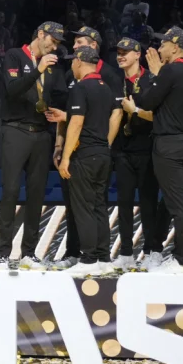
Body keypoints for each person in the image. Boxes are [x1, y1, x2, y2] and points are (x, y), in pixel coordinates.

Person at [0, 20, 65, 270]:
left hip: (42, 133)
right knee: (10, 191)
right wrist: (37, 70)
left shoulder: (53, 66)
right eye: (52, 41)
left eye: (56, 44)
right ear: (41, 34)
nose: (54, 48)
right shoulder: (14, 56)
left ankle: (29, 253)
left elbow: (59, 95)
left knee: (36, 194)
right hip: (16, 131)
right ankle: (2, 252)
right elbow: (12, 90)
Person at [46, 26, 121, 269]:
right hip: (102, 153)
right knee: (99, 206)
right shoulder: (105, 88)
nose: (71, 66)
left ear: (80, 61)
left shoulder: (80, 88)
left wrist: (65, 157)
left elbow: (77, 122)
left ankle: (88, 259)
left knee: (83, 207)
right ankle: (102, 256)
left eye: (74, 61)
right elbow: (106, 117)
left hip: (85, 153)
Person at [135, 27, 183, 273]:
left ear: (175, 46)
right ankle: (173, 254)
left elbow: (147, 102)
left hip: (168, 144)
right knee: (174, 202)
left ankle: (182, 260)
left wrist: (153, 75)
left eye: (163, 45)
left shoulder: (170, 70)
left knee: (177, 205)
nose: (159, 49)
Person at [111, 37, 162, 269]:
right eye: (118, 52)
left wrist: (136, 111)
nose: (120, 56)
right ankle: (126, 253)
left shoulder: (152, 79)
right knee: (124, 202)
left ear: (137, 54)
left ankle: (151, 250)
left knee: (148, 202)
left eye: (125, 52)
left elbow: (159, 115)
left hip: (147, 149)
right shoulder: (114, 80)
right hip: (122, 150)